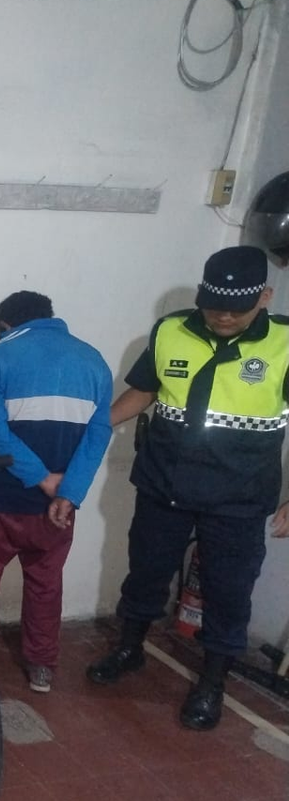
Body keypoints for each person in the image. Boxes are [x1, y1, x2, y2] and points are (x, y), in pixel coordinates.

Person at [88, 245, 289, 730]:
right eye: (213, 304)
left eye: (236, 308)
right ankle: (130, 648)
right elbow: (146, 390)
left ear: (265, 296)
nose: (223, 316)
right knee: (145, 574)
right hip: (165, 485)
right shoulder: (171, 329)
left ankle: (212, 683)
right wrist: (94, 427)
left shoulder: (285, 343)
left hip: (239, 497)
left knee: (228, 593)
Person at [0, 291, 113, 693]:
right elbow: (98, 436)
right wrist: (68, 492)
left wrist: (42, 478)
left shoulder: (0, 353)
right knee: (46, 583)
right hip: (57, 507)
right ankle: (41, 667)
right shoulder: (93, 360)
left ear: (5, 325)